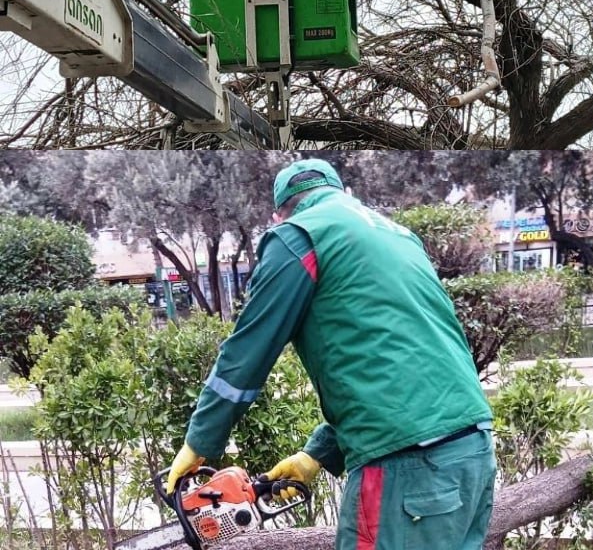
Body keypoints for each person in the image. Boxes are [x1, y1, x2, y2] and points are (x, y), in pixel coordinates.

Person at [165, 159, 496, 550]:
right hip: (472, 452)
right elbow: (397, 365)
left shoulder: (297, 236)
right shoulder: (400, 237)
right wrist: (315, 456)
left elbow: (249, 349)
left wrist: (200, 441)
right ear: (341, 193)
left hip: (407, 468)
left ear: (280, 212)